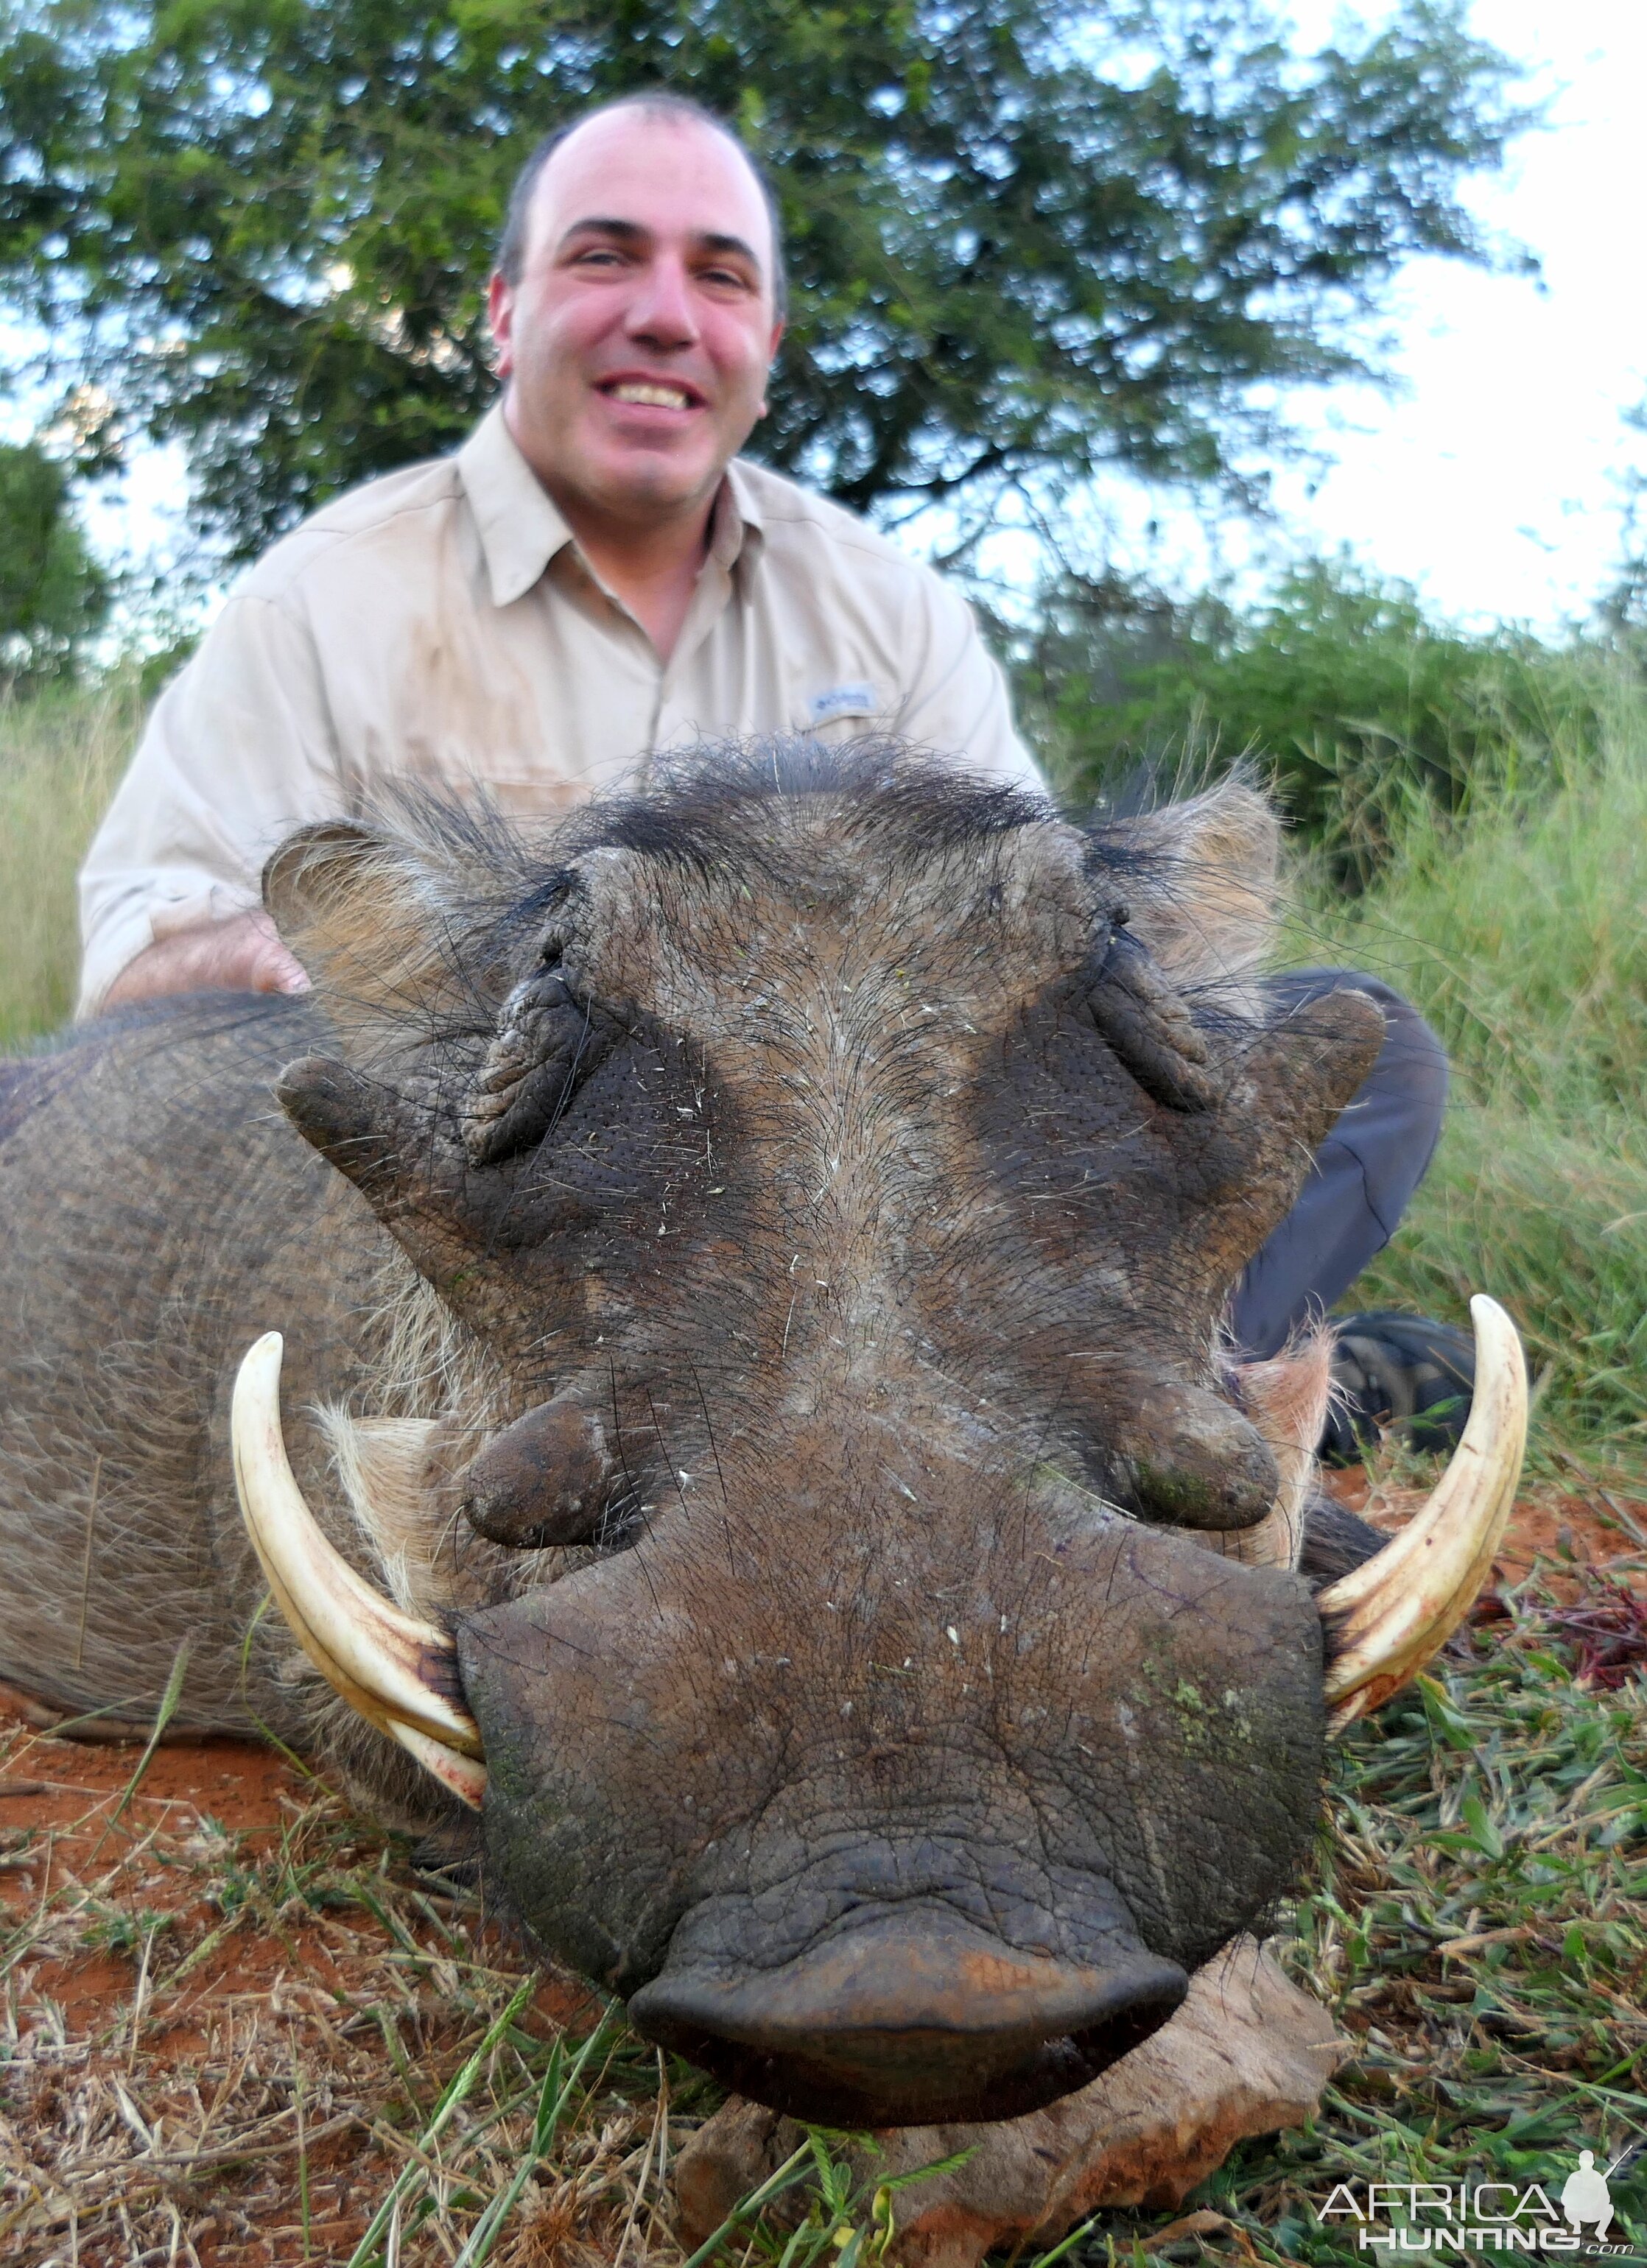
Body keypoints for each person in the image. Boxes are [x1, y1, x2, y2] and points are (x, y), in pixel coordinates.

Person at [74, 88, 1471, 1450]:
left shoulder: (892, 603)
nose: (667, 315)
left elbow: (1050, 947)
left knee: (1364, 1047)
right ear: (505, 314)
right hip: (560, 1186)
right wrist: (327, 956)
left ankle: (1153, 1395)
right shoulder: (319, 595)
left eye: (720, 276)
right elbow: (130, 980)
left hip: (887, 1159)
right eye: (603, 255)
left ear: (768, 340)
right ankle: (1202, 1393)